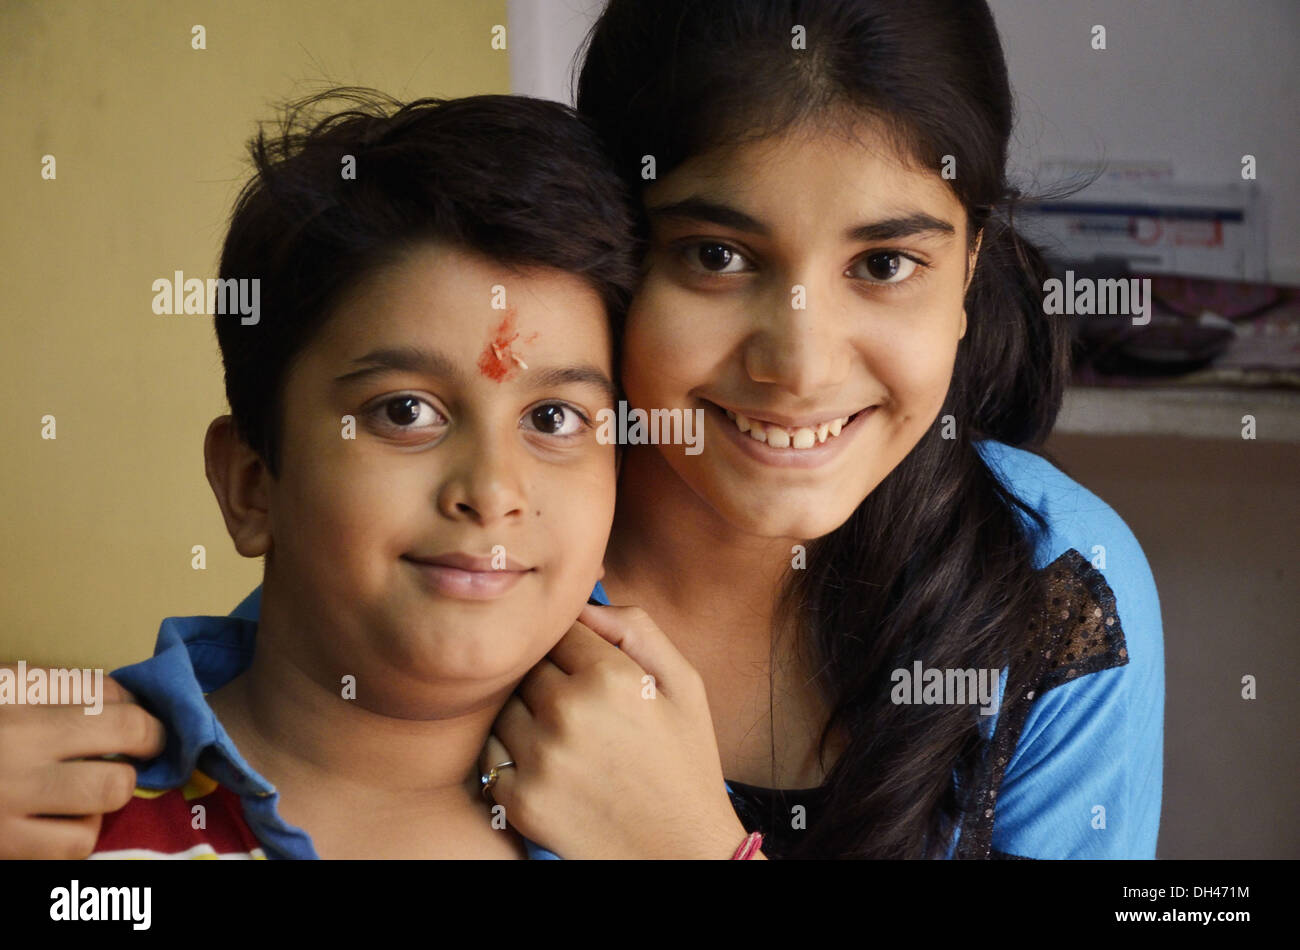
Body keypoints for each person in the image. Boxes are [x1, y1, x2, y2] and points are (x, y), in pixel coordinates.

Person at [1, 0, 1163, 860]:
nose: (799, 361)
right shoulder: (496, 568)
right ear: (612, 249)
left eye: (887, 263)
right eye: (715, 254)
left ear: (969, 269)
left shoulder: (1051, 588)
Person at [17, 89, 677, 859]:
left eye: (554, 419)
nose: (493, 490)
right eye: (404, 412)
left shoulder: (669, 825)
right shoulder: (58, 812)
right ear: (251, 482)